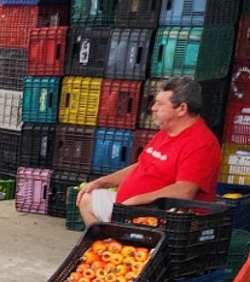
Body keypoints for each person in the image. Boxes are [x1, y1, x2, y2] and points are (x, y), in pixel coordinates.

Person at [76, 77, 221, 226]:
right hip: (129, 206)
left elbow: (184, 191)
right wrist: (102, 182)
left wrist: (137, 201)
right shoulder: (166, 132)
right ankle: (107, 241)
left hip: (162, 216)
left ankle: (113, 238)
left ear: (181, 109)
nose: (153, 108)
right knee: (87, 198)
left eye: (160, 104)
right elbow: (141, 166)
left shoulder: (201, 143)